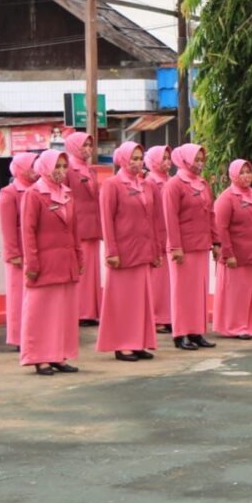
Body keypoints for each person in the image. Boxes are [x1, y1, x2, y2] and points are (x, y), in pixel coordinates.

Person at [20, 150, 83, 375]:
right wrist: (33, 264)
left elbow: (74, 229)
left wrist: (79, 257)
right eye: (57, 166)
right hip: (45, 264)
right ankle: (40, 357)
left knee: (62, 313)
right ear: (45, 166)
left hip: (65, 263)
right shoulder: (34, 194)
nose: (61, 171)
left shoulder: (67, 194)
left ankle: (58, 355)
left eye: (64, 166)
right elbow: (28, 232)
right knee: (40, 312)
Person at [97, 142, 159, 362]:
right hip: (122, 253)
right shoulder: (112, 185)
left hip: (143, 251)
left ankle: (138, 341)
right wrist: (111, 251)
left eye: (140, 158)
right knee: (122, 301)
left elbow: (153, 220)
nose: (137, 162)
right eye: (133, 158)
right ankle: (122, 344)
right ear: (122, 159)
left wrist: (156, 249)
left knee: (141, 300)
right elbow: (106, 220)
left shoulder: (146, 185)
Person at [213, 159, 252, 340]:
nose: (246, 176)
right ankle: (234, 326)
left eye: (248, 172)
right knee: (235, 293)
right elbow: (221, 229)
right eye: (242, 172)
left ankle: (250, 325)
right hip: (236, 256)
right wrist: (228, 254)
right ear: (233, 174)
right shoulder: (226, 198)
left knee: (250, 292)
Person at [164, 143, 219, 350]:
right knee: (182, 291)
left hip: (201, 245)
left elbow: (210, 214)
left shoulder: (203, 184)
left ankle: (197, 331)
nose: (199, 163)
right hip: (183, 247)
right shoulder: (174, 185)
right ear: (184, 159)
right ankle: (180, 333)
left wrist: (216, 241)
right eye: (196, 159)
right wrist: (176, 247)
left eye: (201, 160)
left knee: (199, 291)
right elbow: (170, 218)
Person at [0, 152, 39, 349]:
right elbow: (7, 227)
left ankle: (34, 334)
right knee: (18, 296)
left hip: (36, 250)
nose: (35, 170)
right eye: (32, 166)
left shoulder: (39, 190)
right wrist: (13, 253)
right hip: (19, 253)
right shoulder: (10, 193)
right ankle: (18, 336)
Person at [62, 132, 102, 326]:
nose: (88, 149)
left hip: (93, 226)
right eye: (84, 145)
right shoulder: (68, 170)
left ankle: (89, 311)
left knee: (92, 271)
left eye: (89, 145)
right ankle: (79, 311)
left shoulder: (90, 170)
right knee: (81, 270)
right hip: (77, 225)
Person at [144, 145, 173, 334]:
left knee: (168, 280)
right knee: (157, 280)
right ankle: (156, 317)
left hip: (170, 233)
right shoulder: (150, 182)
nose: (167, 162)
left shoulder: (171, 180)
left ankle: (168, 315)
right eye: (163, 158)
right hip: (157, 233)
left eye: (169, 157)